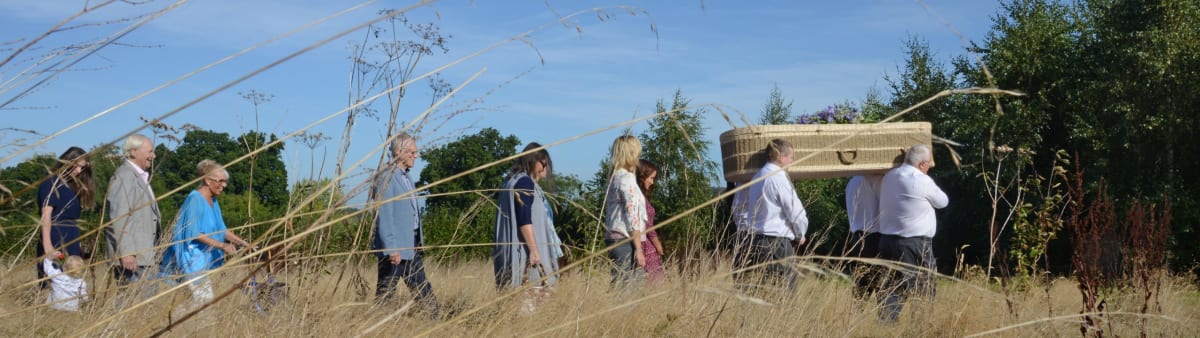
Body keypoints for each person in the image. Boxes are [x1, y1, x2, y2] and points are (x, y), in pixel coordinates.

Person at [160, 160, 254, 305]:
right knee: (204, 303)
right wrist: (222, 246)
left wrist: (244, 243)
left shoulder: (213, 201)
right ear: (207, 180)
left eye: (225, 181)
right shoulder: (195, 199)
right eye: (221, 181)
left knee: (191, 303)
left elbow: (221, 230)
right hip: (193, 260)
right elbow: (194, 233)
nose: (224, 185)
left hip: (207, 260)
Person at [876, 144, 949, 322]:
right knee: (923, 289)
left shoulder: (889, 176)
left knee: (891, 289)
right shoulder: (920, 179)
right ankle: (920, 329)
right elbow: (943, 201)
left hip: (886, 241)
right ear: (922, 164)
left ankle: (886, 329)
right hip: (914, 243)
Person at [371, 133, 440, 316]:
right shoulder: (386, 177)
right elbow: (384, 216)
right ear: (399, 152)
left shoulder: (406, 177)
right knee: (385, 294)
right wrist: (392, 248)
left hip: (410, 245)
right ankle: (374, 325)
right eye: (412, 152)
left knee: (422, 288)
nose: (415, 156)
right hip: (395, 249)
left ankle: (434, 320)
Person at [732, 139, 808, 292]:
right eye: (791, 157)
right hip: (776, 244)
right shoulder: (778, 178)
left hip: (755, 241)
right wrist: (800, 234)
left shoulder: (757, 176)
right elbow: (795, 212)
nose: (792, 161)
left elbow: (741, 210)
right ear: (781, 157)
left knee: (762, 292)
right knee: (785, 294)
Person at [494, 143, 565, 290]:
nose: (546, 170)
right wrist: (533, 250)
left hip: (509, 253)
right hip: (524, 254)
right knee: (532, 301)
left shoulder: (510, 181)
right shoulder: (524, 182)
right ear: (535, 162)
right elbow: (524, 218)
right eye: (544, 164)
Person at [105, 134, 161, 285]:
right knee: (134, 302)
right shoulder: (125, 176)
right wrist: (127, 252)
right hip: (133, 258)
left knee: (145, 302)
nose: (153, 156)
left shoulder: (138, 176)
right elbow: (120, 216)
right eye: (150, 151)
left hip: (143, 256)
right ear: (133, 152)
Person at [36, 146, 95, 288]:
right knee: (55, 284)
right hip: (56, 237)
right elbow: (46, 216)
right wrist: (48, 246)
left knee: (73, 285)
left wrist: (78, 243)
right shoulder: (51, 182)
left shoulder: (71, 186)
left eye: (82, 168)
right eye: (77, 167)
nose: (79, 171)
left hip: (72, 239)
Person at [603, 135, 648, 287]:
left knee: (620, 286)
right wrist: (639, 249)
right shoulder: (626, 178)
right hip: (626, 240)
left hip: (614, 238)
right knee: (629, 291)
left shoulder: (613, 178)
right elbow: (632, 216)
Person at [845, 174, 884, 298]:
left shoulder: (851, 182)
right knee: (881, 285)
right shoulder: (876, 179)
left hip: (856, 237)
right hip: (874, 236)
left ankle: (856, 315)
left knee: (861, 284)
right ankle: (885, 317)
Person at [636, 159, 666, 283]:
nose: (652, 182)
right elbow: (648, 225)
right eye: (651, 178)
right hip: (646, 246)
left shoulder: (640, 196)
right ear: (642, 176)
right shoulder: (639, 197)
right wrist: (658, 245)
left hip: (645, 244)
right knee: (655, 282)